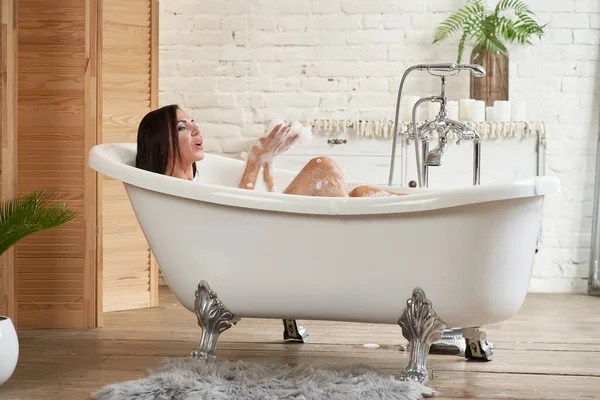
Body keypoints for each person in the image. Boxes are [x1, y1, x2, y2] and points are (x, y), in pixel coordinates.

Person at [136, 104, 406, 198]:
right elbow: (240, 224)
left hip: (266, 239)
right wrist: (254, 159)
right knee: (322, 167)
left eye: (193, 122)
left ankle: (421, 208)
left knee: (359, 192)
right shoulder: (174, 190)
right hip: (252, 248)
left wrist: (267, 160)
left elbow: (264, 203)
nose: (196, 130)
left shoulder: (195, 181)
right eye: (182, 128)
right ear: (162, 142)